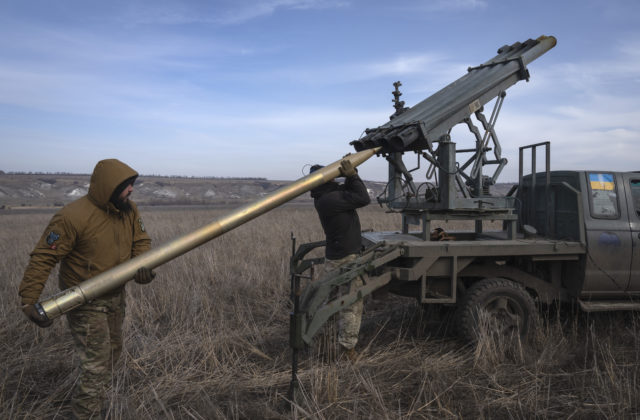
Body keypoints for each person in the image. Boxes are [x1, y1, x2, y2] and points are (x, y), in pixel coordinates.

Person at [18, 158, 154, 419]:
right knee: (97, 366)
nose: (131, 190)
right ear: (109, 187)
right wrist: (29, 300)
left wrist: (144, 265)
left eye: (132, 185)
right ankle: (84, 414)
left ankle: (99, 406)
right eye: (126, 186)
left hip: (116, 296)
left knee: (113, 355)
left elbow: (141, 241)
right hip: (84, 301)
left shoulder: (129, 210)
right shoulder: (71, 217)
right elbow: (44, 257)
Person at [309, 159, 371, 361]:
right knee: (351, 302)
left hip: (336, 255)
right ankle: (347, 349)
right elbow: (362, 198)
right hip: (346, 257)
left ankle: (325, 340)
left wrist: (350, 175)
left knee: (333, 300)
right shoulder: (331, 199)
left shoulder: (324, 197)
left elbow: (349, 192)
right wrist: (352, 175)